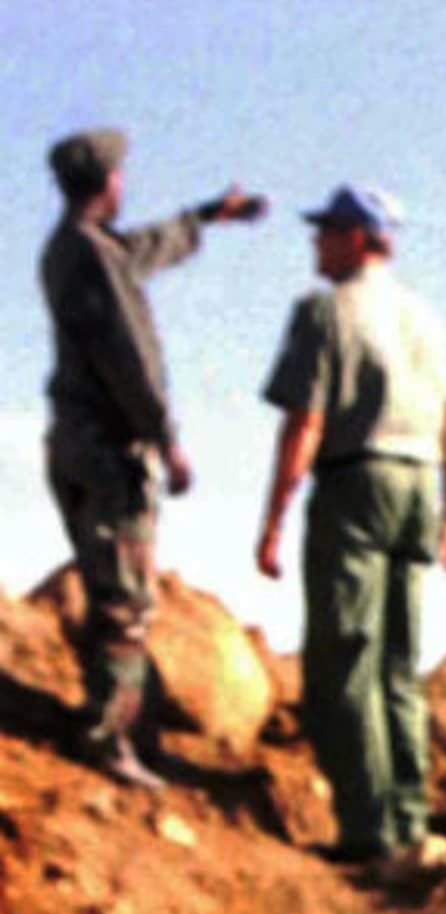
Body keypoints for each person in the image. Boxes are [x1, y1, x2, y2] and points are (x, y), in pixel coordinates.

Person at [39, 127, 266, 789]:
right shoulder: (90, 257)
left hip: (75, 442)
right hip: (108, 450)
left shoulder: (75, 250)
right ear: (106, 181)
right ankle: (109, 739)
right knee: (124, 598)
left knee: (110, 585)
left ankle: (123, 729)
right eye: (120, 175)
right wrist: (165, 438)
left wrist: (205, 216)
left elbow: (142, 249)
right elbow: (128, 355)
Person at [255, 184, 446, 872]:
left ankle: (371, 834)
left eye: (325, 230)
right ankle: (411, 822)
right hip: (420, 483)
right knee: (400, 663)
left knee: (345, 657)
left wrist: (274, 518)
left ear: (356, 236)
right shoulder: (423, 318)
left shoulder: (325, 312)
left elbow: (305, 422)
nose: (316, 242)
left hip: (356, 480)